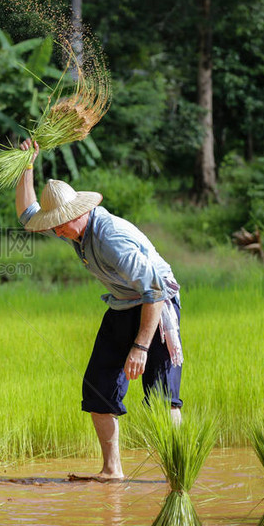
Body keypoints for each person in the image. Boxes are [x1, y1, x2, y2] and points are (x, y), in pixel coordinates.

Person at [16, 139, 183, 481]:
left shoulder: (111, 239)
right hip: (123, 303)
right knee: (97, 387)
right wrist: (26, 166)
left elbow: (153, 289)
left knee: (160, 393)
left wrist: (140, 347)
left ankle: (177, 474)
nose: (55, 230)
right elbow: (26, 212)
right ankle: (112, 470)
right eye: (54, 224)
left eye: (60, 223)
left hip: (156, 303)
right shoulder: (72, 229)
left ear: (78, 213)